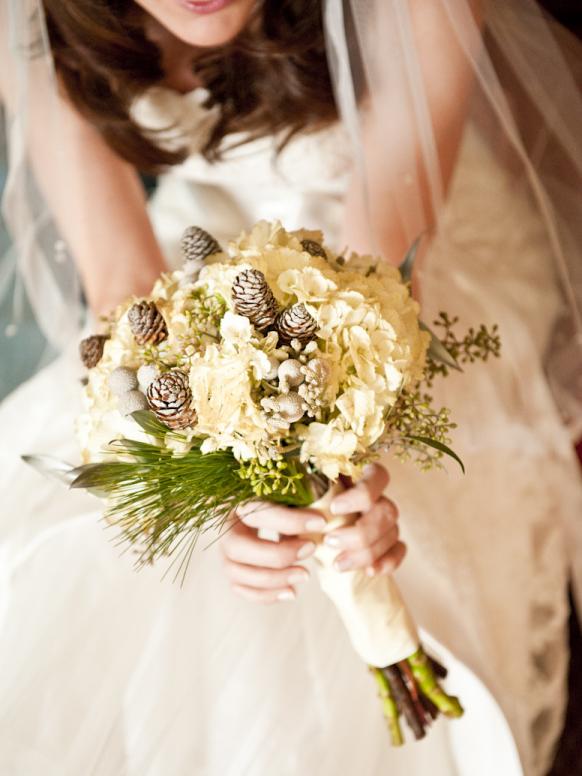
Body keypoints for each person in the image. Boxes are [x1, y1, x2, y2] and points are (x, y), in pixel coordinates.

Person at [0, 1, 581, 774]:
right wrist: (207, 481)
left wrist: (334, 469)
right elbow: (121, 282)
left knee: (366, 539)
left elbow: (382, 276)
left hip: (394, 241)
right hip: (196, 269)